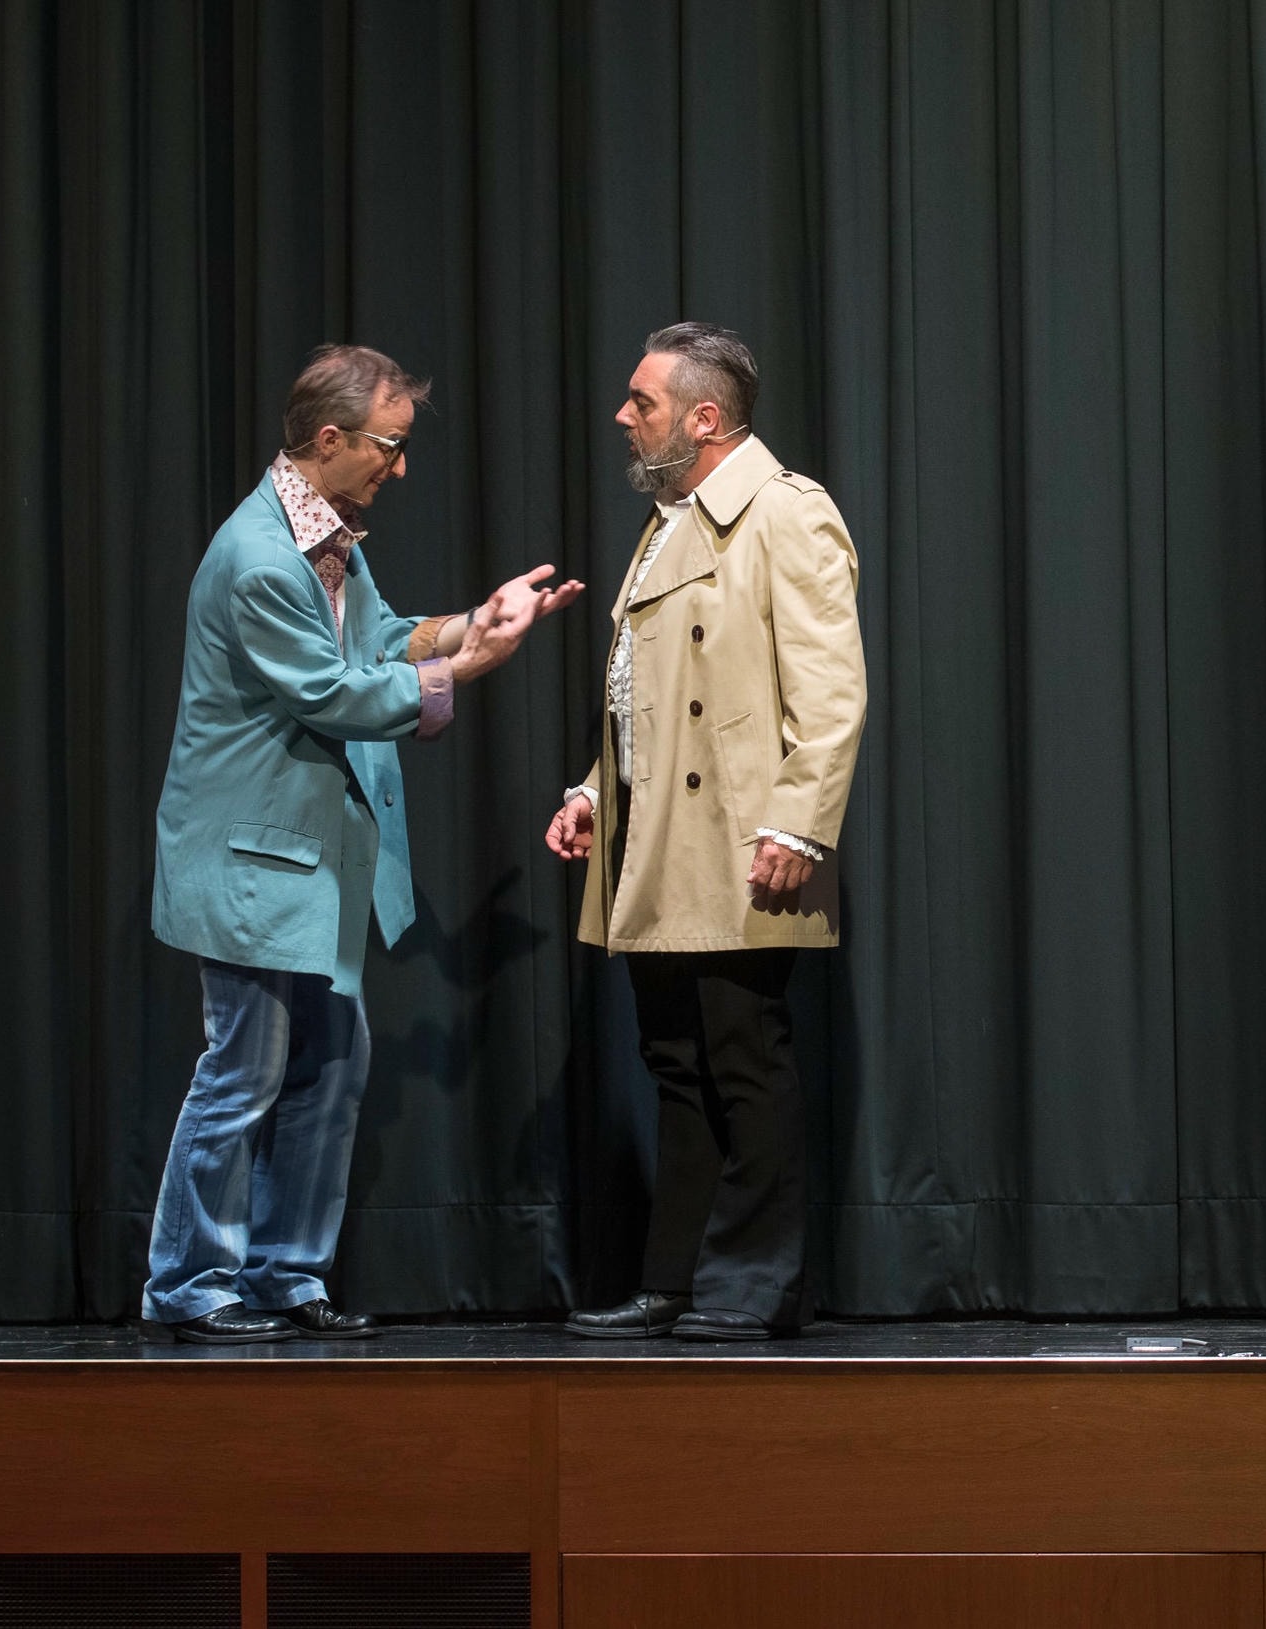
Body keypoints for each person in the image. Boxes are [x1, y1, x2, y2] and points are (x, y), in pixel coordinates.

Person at [143, 344, 584, 1344]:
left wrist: (473, 621)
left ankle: (283, 1272)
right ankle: (188, 1283)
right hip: (252, 858)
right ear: (331, 438)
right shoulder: (260, 557)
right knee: (243, 1071)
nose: (401, 465)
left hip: (306, 859)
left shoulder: (330, 534)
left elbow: (378, 640)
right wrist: (466, 670)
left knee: (334, 1064)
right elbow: (333, 694)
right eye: (390, 445)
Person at [548, 324, 865, 1343]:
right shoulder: (668, 523)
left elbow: (831, 694)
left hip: (742, 838)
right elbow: (645, 696)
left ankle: (754, 1284)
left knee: (743, 1055)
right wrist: (593, 792)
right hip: (659, 839)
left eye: (641, 401)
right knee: (677, 1059)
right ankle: (675, 1277)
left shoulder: (785, 513)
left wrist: (799, 826)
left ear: (705, 418)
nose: (622, 415)